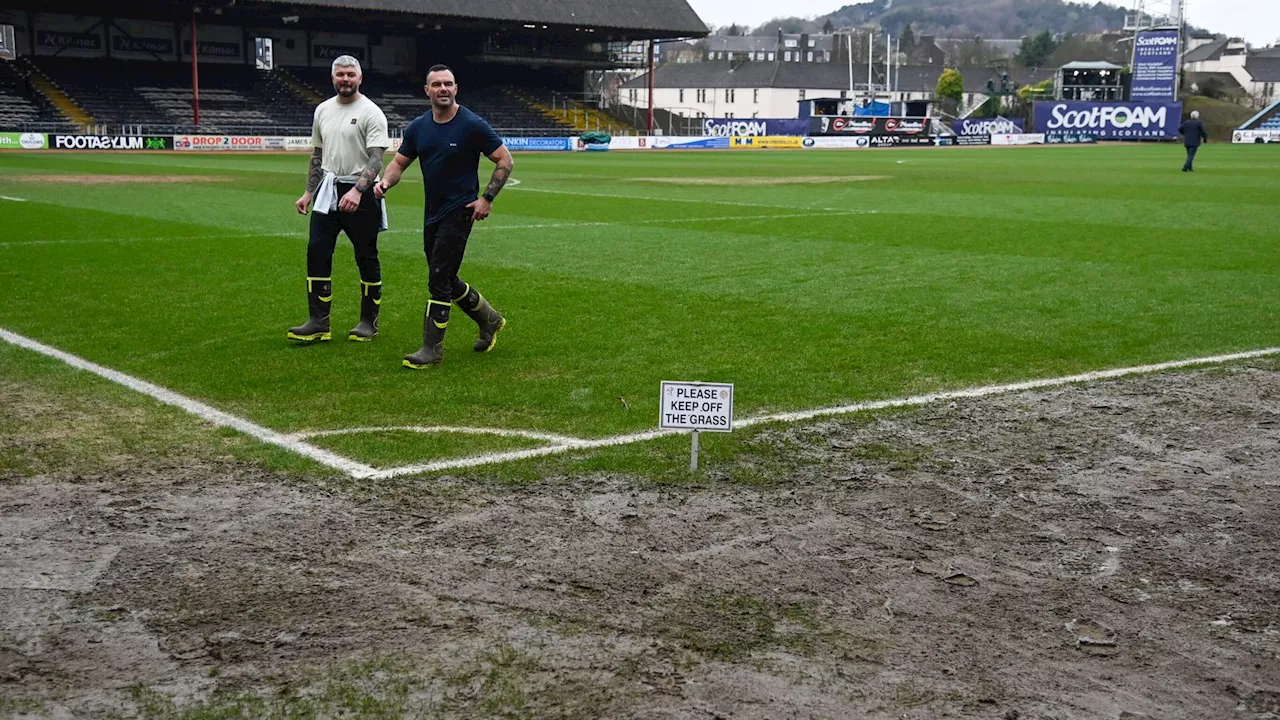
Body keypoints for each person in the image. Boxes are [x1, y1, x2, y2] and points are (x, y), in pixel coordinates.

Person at [375, 64, 514, 369]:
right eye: (437, 84)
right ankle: (489, 320)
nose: (443, 89)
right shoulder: (418, 128)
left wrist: (486, 198)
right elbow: (398, 163)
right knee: (447, 278)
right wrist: (385, 182)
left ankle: (432, 350)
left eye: (448, 84)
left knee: (438, 278)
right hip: (431, 214)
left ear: (456, 88)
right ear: (427, 91)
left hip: (460, 211)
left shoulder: (472, 124)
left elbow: (505, 159)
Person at [288, 55, 392, 343]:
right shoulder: (322, 110)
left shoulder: (372, 112)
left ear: (360, 78)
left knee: (366, 256)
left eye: (350, 74)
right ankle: (318, 322)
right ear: (333, 78)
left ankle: (368, 322)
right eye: (340, 75)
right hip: (327, 190)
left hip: (362, 191)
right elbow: (318, 155)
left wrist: (358, 191)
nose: (345, 79)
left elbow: (376, 158)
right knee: (317, 251)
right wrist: (309, 191)